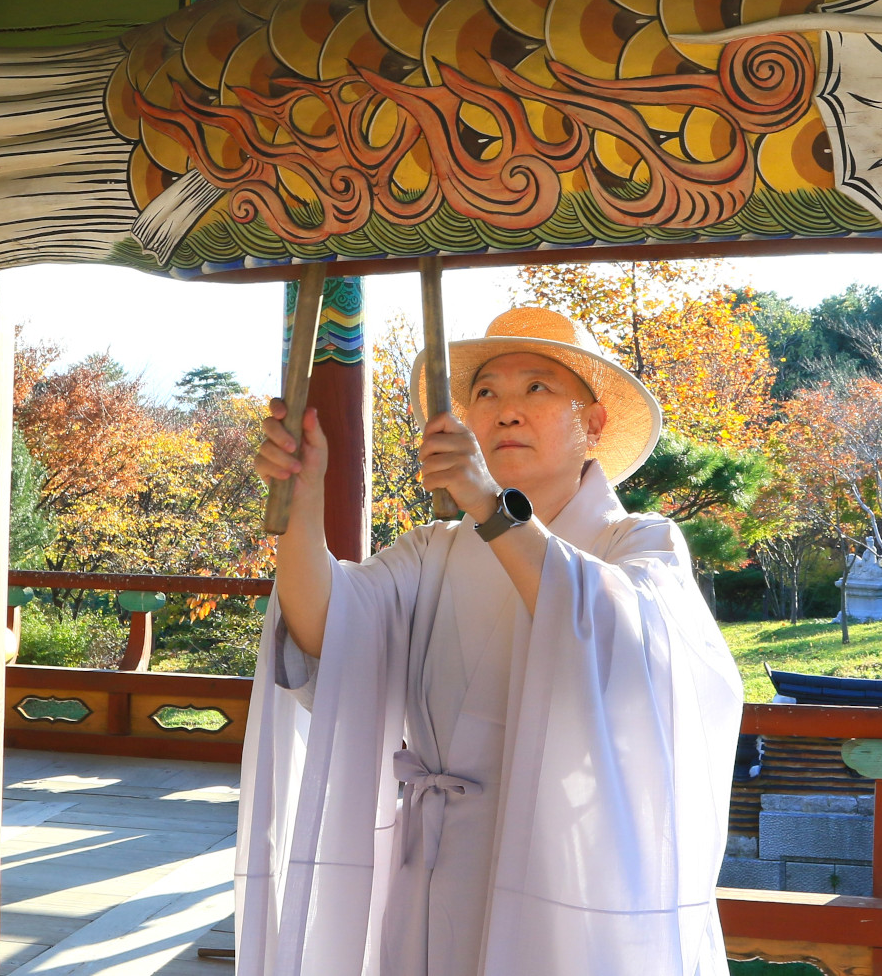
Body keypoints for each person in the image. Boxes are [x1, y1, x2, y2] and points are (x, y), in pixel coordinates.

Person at [235, 306, 745, 974]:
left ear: (592, 425)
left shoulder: (640, 544)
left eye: (537, 388)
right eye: (485, 393)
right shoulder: (433, 552)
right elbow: (328, 633)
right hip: (436, 861)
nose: (506, 410)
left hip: (569, 863)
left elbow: (627, 651)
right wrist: (302, 509)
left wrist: (486, 504)